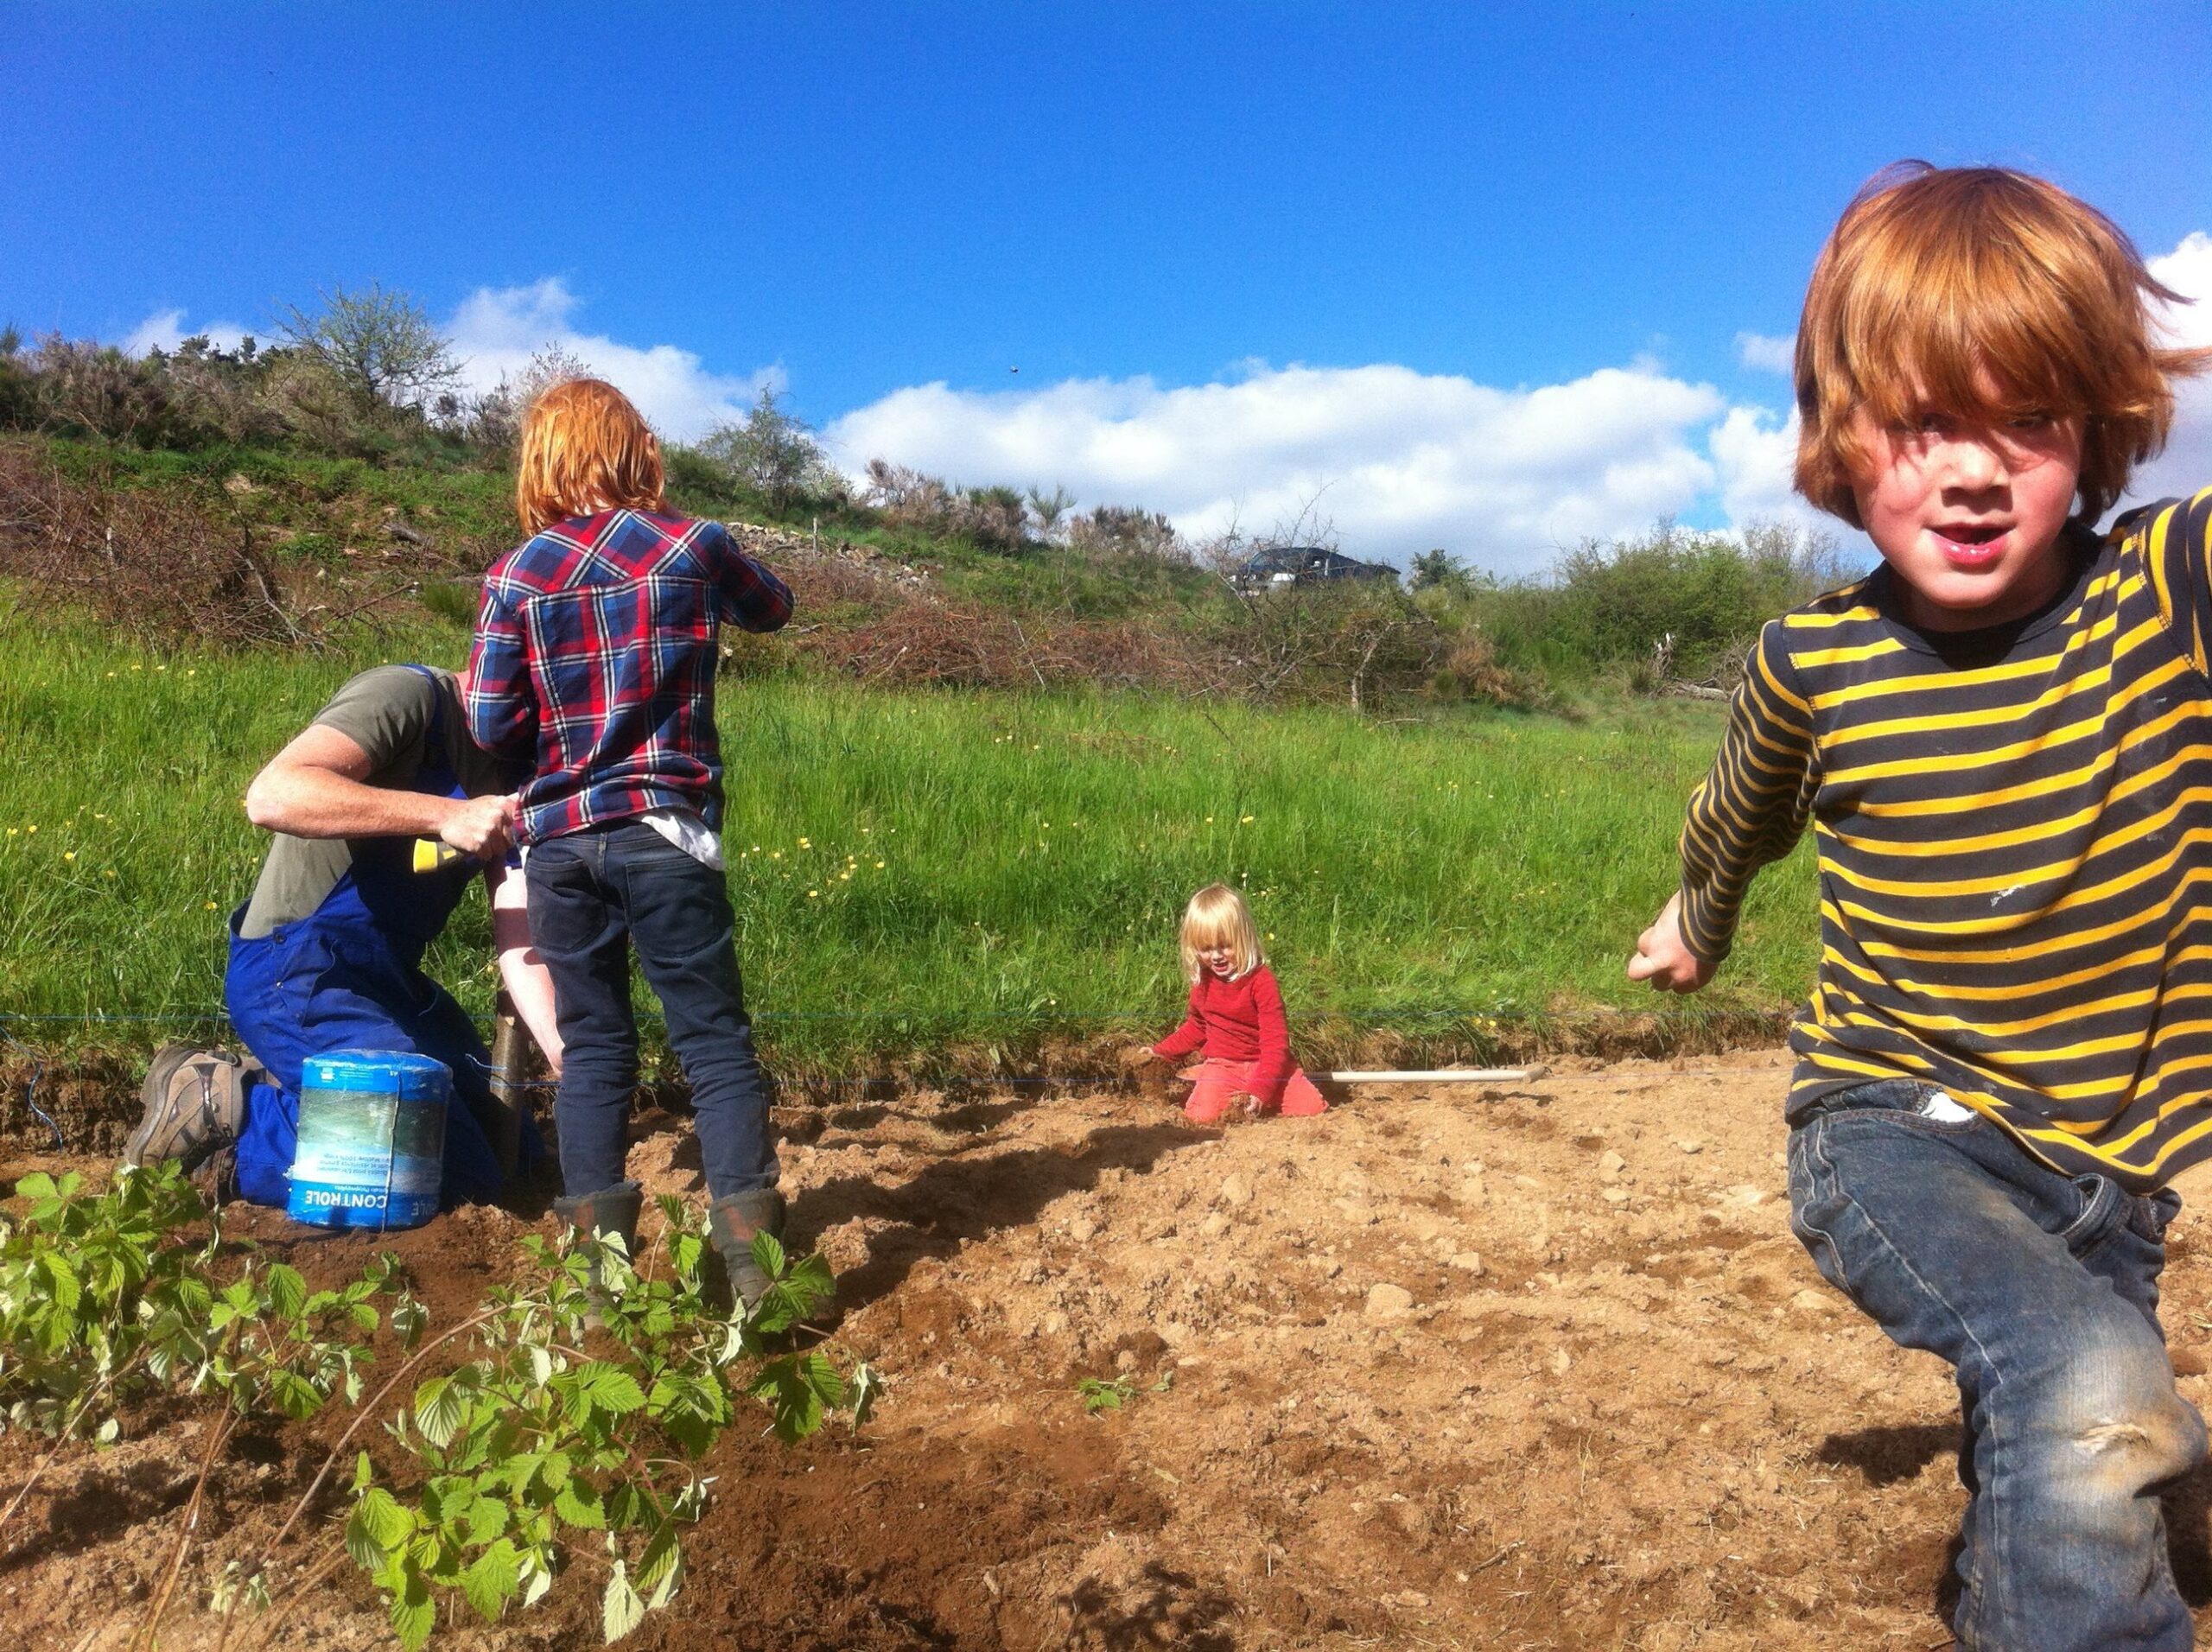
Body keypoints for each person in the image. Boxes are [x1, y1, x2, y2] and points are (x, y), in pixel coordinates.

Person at [1628, 163, 2212, 1652]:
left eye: (2031, 420)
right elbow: (1738, 819)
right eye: (1924, 421)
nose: (1973, 470)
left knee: (2078, 1401)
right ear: (1842, 436)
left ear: (2096, 429)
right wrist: (1696, 922)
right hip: (1895, 1124)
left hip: (2111, 1163)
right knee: (2091, 1383)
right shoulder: (1810, 664)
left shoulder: (2162, 594)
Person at [462, 378, 794, 1306]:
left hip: (562, 841)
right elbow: (773, 607)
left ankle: (596, 1286)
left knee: (595, 1046)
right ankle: (752, 1274)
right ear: (635, 447)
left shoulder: (515, 574)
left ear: (543, 460)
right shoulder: (694, 544)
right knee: (714, 1043)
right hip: (665, 827)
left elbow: (488, 722)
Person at [125, 663, 563, 1208]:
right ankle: (228, 1112)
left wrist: (561, 1047)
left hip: (388, 982)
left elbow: (519, 925)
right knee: (438, 1168)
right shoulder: (408, 697)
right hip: (293, 970)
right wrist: (445, 814)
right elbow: (275, 795)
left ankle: (314, 1088)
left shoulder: (521, 765)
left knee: (512, 1151)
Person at [1133, 884, 1328, 1124]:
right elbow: (1197, 1027)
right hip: (1224, 1066)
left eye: (1225, 945)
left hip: (1267, 1065)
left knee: (1311, 1108)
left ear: (1244, 938)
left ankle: (1253, 1093)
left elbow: (1275, 1043)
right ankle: (1207, 1077)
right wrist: (1160, 1051)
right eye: (1206, 948)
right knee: (1201, 1116)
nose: (1216, 956)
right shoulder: (1203, 982)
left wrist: (1261, 1089)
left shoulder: (1262, 981)